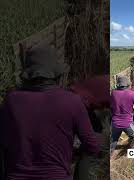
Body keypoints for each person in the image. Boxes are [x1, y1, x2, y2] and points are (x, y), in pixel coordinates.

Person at [0, 45, 100, 180]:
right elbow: (92, 145)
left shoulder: (11, 101)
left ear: (27, 76)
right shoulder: (72, 101)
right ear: (56, 75)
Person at [69, 75, 110, 180]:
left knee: (97, 129)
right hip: (78, 103)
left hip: (77, 97)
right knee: (91, 145)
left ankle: (81, 152)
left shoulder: (111, 82)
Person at [110, 76, 134, 155]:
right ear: (127, 84)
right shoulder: (132, 94)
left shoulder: (113, 93)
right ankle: (130, 151)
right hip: (127, 123)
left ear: (118, 84)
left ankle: (109, 156)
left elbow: (111, 106)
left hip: (115, 123)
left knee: (113, 141)